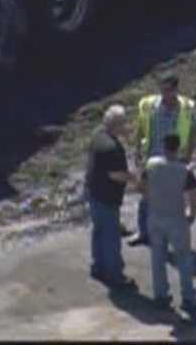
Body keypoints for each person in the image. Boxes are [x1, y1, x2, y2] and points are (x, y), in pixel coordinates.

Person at [129, 72, 196, 246]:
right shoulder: (149, 105)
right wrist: (137, 149)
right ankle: (143, 232)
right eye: (162, 89)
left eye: (168, 90)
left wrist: (188, 156)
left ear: (176, 89)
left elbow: (193, 133)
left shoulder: (186, 108)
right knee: (146, 197)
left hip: (175, 159)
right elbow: (140, 127)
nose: (164, 93)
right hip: (152, 158)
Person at [145, 133, 196, 314]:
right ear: (178, 148)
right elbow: (194, 200)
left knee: (157, 258)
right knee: (184, 260)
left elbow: (142, 188)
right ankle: (189, 298)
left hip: (155, 217)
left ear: (163, 147)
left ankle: (161, 296)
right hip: (176, 219)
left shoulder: (151, 166)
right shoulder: (184, 171)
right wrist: (190, 216)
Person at [85, 104, 138, 289]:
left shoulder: (98, 136)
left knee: (99, 231)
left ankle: (98, 266)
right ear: (117, 124)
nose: (126, 126)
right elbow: (116, 174)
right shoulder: (111, 148)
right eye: (124, 123)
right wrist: (135, 180)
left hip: (94, 192)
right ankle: (115, 275)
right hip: (106, 197)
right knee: (111, 235)